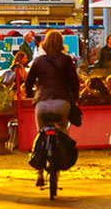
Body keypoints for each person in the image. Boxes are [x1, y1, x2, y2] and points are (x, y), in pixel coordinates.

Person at [23, 30, 80, 187]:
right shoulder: (67, 60)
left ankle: (40, 172)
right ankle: (59, 168)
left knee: (40, 133)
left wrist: (30, 95)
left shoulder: (38, 61)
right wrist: (75, 98)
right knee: (62, 131)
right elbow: (74, 82)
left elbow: (28, 82)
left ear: (45, 43)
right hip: (62, 103)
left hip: (42, 103)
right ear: (61, 44)